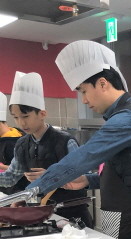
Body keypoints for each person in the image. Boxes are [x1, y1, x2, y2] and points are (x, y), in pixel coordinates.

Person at [25, 40, 131, 239]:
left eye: (83, 91)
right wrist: (88, 180)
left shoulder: (129, 118)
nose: (83, 100)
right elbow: (129, 171)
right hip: (119, 211)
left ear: (102, 84)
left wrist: (30, 192)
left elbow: (85, 155)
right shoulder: (120, 115)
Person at [0, 72, 92, 227]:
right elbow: (10, 178)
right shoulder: (22, 144)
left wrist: (52, 176)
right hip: (42, 216)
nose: (21, 123)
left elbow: (83, 177)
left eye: (25, 116)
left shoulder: (64, 141)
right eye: (16, 117)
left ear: (42, 114)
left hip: (72, 214)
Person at [0, 92, 27, 195]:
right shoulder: (10, 135)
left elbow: (21, 173)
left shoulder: (13, 142)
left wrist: (3, 167)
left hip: (17, 194)